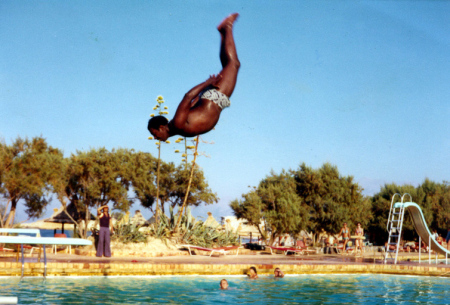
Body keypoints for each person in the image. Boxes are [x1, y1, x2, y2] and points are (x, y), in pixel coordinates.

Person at [148, 13, 240, 141]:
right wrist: (205, 89)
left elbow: (187, 96)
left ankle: (227, 26)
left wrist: (207, 83)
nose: (155, 137)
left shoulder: (177, 123)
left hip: (214, 97)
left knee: (233, 64)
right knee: (229, 65)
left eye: (154, 133)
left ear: (161, 127)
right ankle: (223, 32)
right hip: (213, 99)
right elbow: (192, 103)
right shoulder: (178, 127)